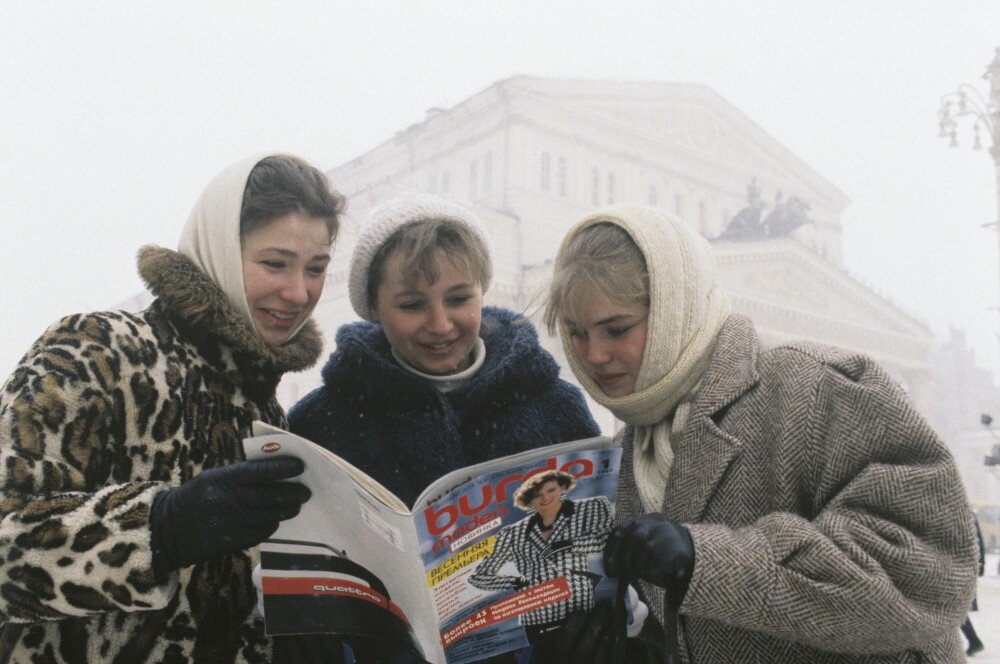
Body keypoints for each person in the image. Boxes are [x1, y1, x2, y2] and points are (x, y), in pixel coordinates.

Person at [542, 205, 979, 663]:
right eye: (575, 332)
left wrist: (702, 561)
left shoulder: (815, 386)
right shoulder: (633, 450)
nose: (593, 354)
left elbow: (927, 576)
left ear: (677, 306)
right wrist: (633, 648)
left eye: (617, 329)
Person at [0, 153, 345, 662]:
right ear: (220, 250)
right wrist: (161, 527)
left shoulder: (265, 411)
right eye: (275, 263)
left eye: (315, 269)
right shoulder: (97, 348)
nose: (299, 292)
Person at [284, 192, 600, 662]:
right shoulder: (322, 423)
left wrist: (594, 621)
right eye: (412, 304)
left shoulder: (553, 405)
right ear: (374, 306)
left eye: (458, 298)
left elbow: (596, 548)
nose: (440, 323)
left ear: (481, 291)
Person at [468, 471, 613, 657]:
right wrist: (513, 581)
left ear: (562, 487)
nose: (545, 498)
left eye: (550, 490)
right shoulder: (512, 533)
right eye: (537, 495)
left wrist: (570, 544)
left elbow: (609, 542)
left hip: (581, 614)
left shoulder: (590, 508)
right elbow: (478, 577)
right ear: (530, 499)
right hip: (537, 621)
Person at [961, 513, 986, 656]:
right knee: (956, 606)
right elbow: (979, 541)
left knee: (953, 606)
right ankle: (974, 641)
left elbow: (978, 541)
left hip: (961, 567)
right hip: (967, 566)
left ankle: (974, 641)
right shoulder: (969, 514)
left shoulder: (964, 514)